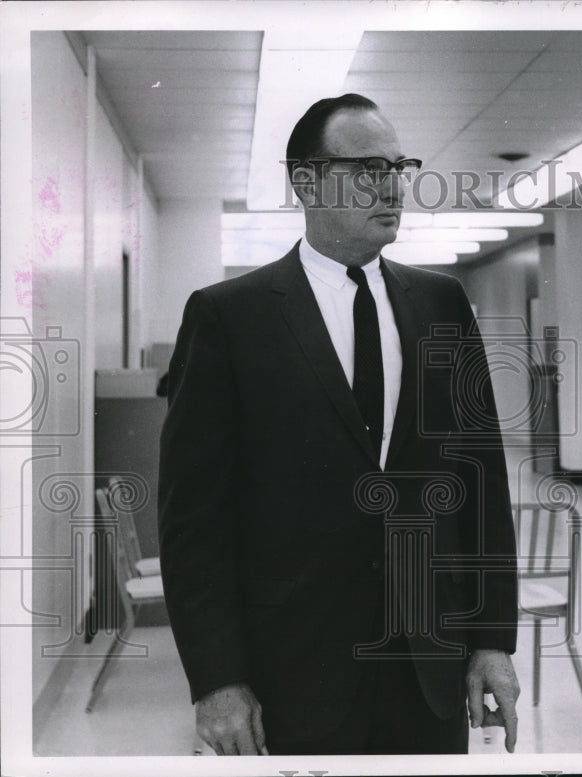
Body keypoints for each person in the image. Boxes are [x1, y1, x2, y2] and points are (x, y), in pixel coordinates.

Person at [158, 94, 520, 756]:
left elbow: (482, 483)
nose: (390, 185)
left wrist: (492, 638)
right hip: (291, 673)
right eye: (366, 168)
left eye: (398, 166)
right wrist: (217, 679)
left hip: (427, 670)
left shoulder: (442, 303)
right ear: (305, 182)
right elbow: (193, 522)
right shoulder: (229, 317)